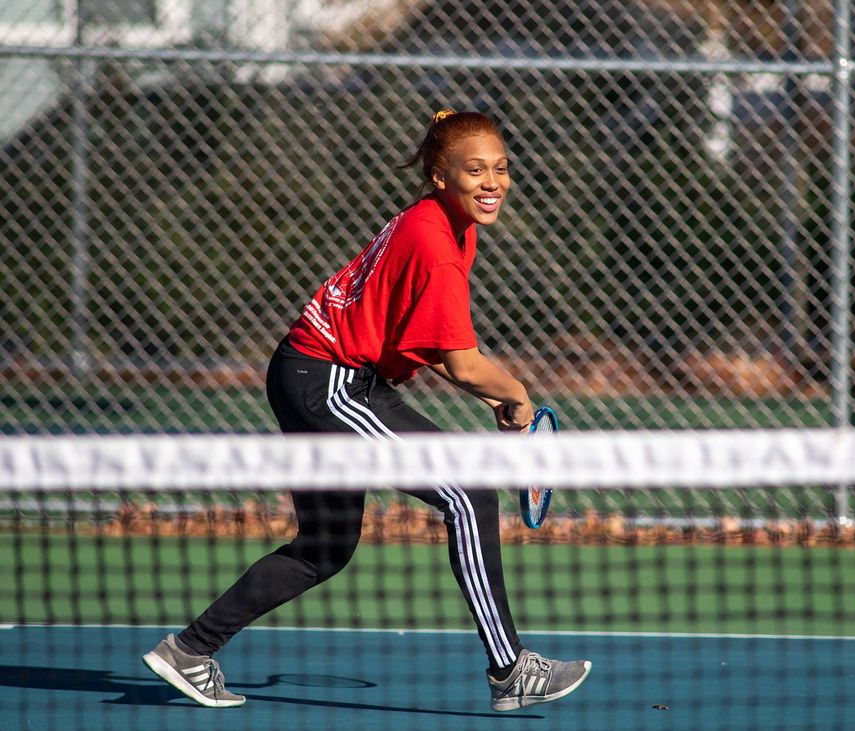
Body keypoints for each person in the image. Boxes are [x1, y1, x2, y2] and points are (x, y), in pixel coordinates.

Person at [142, 109, 592, 711]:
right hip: (328, 382)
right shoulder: (435, 241)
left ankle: (189, 651)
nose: (492, 183)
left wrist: (493, 396)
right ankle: (511, 672)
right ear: (440, 176)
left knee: (326, 547)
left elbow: (421, 340)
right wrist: (516, 395)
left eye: (501, 169)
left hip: (311, 373)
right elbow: (460, 360)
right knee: (469, 492)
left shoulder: (446, 226)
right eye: (475, 170)